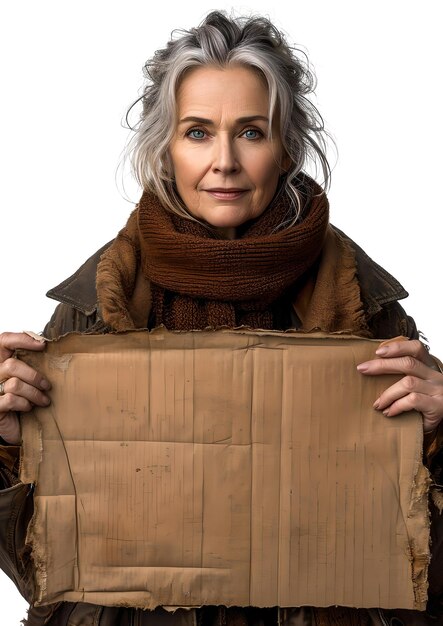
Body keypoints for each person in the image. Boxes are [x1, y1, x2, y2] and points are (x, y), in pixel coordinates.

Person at [1, 10, 443, 626]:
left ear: (286, 144)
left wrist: (442, 437)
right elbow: (40, 577)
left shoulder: (367, 316)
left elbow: (426, 575)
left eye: (252, 133)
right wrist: (7, 446)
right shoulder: (91, 314)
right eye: (199, 132)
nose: (226, 162)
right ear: (165, 147)